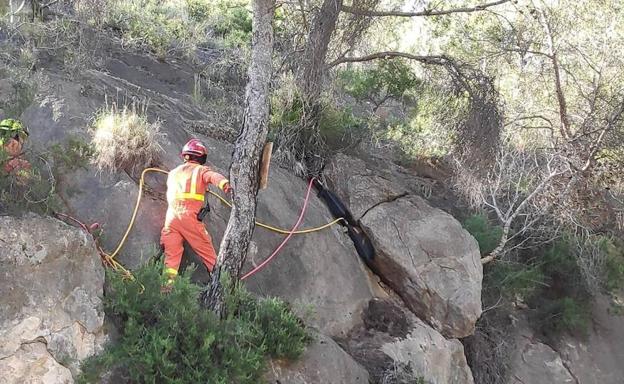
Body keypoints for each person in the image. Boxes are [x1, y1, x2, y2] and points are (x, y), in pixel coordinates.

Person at [160, 138, 231, 291]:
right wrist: (225, 184)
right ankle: (222, 286)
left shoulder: (172, 173)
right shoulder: (201, 170)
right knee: (207, 252)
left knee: (171, 258)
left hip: (170, 218)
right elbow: (213, 177)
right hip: (189, 217)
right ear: (201, 158)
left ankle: (165, 290)